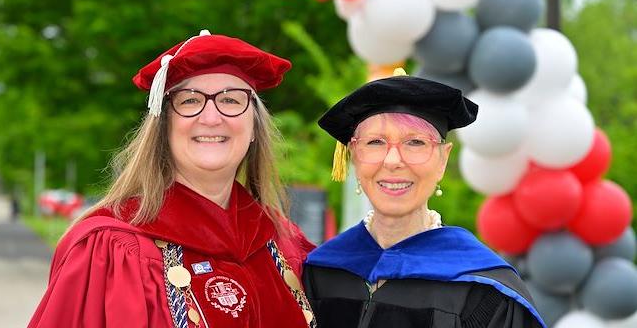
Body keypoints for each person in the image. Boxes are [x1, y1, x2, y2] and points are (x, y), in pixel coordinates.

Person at [29, 30, 316, 328]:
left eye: (231, 100)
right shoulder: (112, 250)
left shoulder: (284, 244)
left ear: (254, 127)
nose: (211, 117)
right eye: (190, 100)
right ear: (164, 126)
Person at [302, 70, 545, 328]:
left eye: (415, 142)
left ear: (443, 159)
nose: (393, 161)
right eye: (375, 142)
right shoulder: (320, 272)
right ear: (353, 155)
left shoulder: (483, 289)